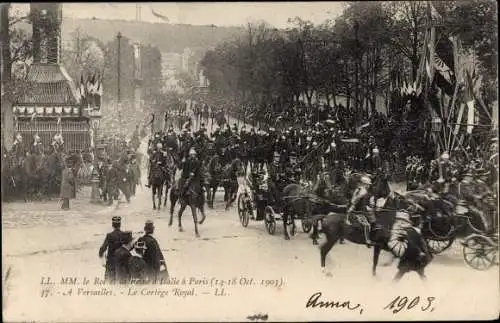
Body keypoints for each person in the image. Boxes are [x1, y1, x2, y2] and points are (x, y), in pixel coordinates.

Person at [345, 175, 377, 246]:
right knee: (367, 225)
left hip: (363, 210)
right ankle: (367, 240)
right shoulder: (359, 190)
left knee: (374, 219)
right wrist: (360, 196)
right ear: (364, 184)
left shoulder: (366, 191)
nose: (368, 186)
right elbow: (353, 201)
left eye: (369, 185)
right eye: (367, 185)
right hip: (357, 211)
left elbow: (367, 202)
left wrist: (371, 205)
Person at [98, 216, 123, 283]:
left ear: (112, 225)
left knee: (109, 281)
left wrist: (100, 255)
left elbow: (103, 248)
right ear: (120, 225)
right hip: (121, 262)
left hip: (111, 263)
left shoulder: (109, 235)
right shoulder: (124, 235)